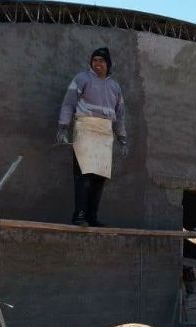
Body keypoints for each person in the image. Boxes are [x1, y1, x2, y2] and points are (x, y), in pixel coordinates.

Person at [57, 47, 127, 227]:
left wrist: (122, 137)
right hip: (85, 128)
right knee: (83, 175)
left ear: (108, 64)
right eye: (94, 60)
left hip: (105, 132)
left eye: (101, 61)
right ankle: (79, 216)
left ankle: (92, 217)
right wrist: (63, 127)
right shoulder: (82, 79)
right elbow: (68, 103)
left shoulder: (115, 86)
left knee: (99, 177)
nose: (97, 64)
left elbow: (120, 114)